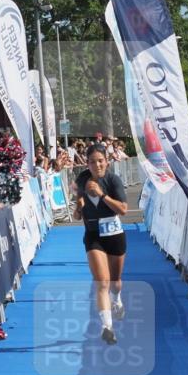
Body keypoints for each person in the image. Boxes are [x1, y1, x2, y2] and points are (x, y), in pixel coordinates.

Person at [72, 143, 129, 345]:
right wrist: (78, 208)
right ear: (86, 164)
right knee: (102, 282)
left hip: (114, 234)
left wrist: (102, 195)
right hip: (93, 235)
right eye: (92, 162)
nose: (97, 165)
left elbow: (123, 209)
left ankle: (117, 299)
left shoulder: (113, 180)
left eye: (100, 161)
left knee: (115, 282)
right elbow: (76, 215)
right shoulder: (81, 181)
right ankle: (107, 327)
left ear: (107, 162)